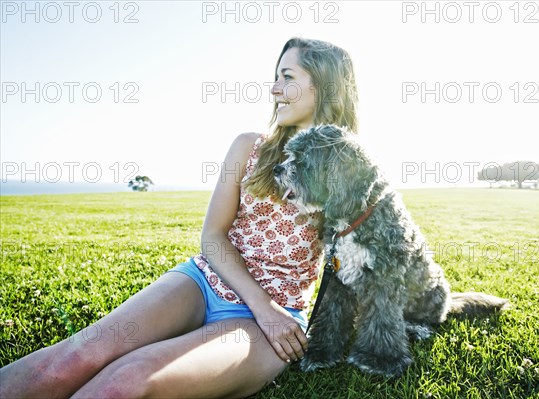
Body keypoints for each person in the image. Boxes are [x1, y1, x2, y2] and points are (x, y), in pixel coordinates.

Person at [0, 37, 359, 399]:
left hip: (264, 327)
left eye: (287, 76)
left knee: (127, 381)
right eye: (275, 76)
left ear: (325, 84)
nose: (274, 88)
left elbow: (372, 262)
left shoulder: (352, 176)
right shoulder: (249, 147)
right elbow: (213, 237)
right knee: (69, 360)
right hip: (204, 282)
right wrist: (260, 305)